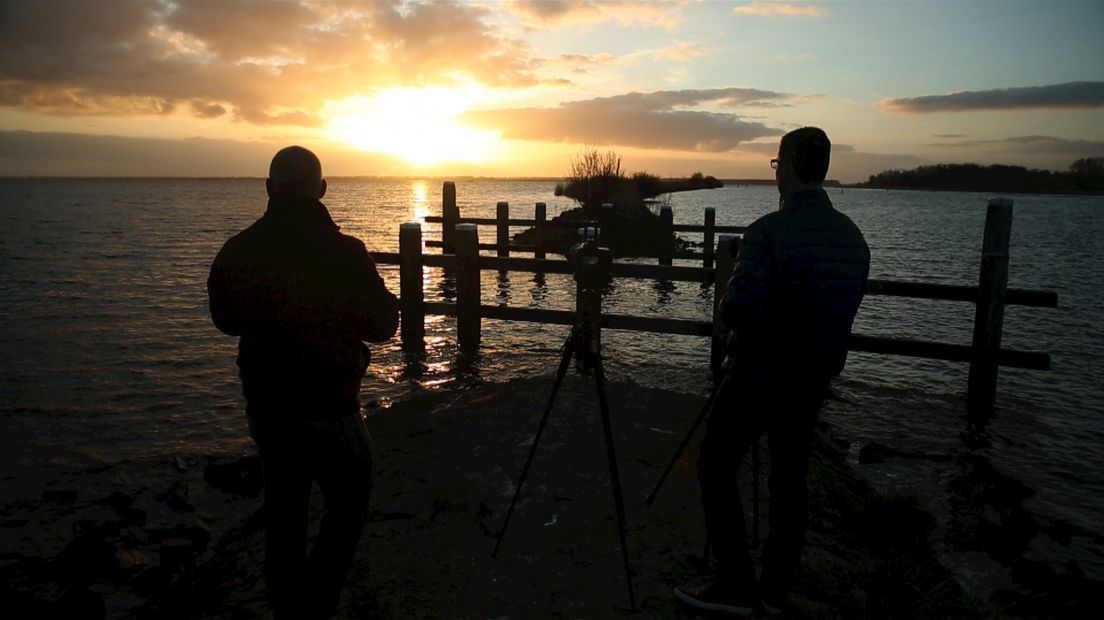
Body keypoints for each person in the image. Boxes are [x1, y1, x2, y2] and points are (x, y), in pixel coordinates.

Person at [675, 127, 870, 617]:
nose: (775, 172)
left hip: (758, 373)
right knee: (790, 481)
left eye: (776, 163)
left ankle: (735, 583)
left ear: (787, 166)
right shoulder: (853, 239)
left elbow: (738, 308)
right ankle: (775, 591)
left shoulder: (766, 233)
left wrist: (731, 305)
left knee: (716, 465)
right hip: (813, 379)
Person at [207, 146, 399, 619]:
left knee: (284, 516)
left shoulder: (238, 250)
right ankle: (319, 602)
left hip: (270, 412)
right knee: (348, 505)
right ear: (322, 190)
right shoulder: (346, 252)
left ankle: (290, 608)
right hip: (334, 409)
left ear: (270, 189)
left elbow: (225, 321)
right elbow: (382, 324)